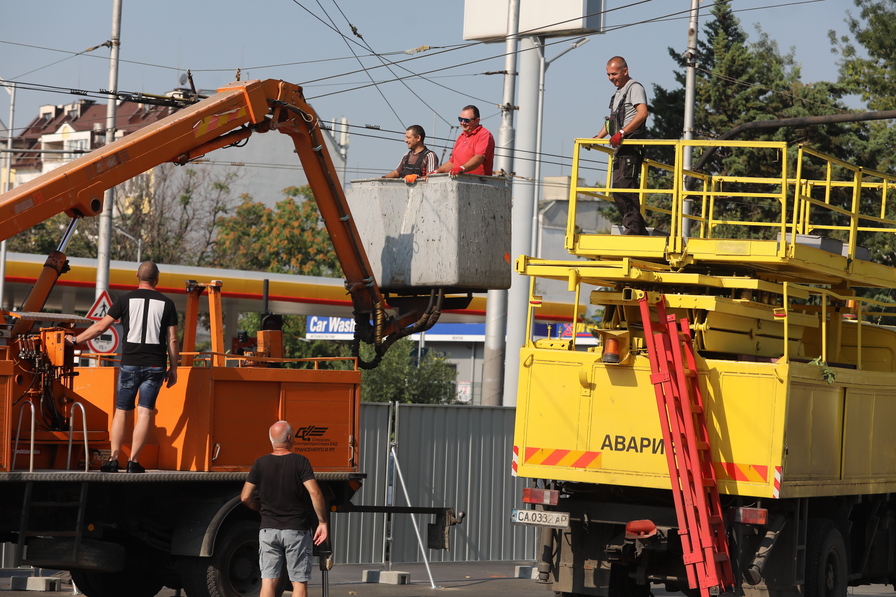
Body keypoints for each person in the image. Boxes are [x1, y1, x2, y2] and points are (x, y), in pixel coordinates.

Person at [67, 261, 179, 473]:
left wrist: (75, 340)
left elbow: (100, 327)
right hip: (155, 365)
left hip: (130, 363)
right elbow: (172, 340)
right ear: (158, 278)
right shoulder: (167, 303)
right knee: (145, 412)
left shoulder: (125, 300)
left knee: (122, 410)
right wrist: (173, 368)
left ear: (137, 275)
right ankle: (133, 462)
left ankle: (114, 460)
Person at [241, 421, 329, 597]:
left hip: (268, 530)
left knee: (268, 580)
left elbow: (245, 497)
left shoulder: (260, 463)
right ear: (290, 438)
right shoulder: (300, 462)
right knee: (298, 582)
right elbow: (315, 493)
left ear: (271, 440)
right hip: (295, 530)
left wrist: (260, 508)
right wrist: (322, 522)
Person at [594, 56, 650, 235]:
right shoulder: (618, 93)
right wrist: (598, 137)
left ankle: (634, 231)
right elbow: (612, 120)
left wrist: (622, 133)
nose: (611, 78)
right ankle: (638, 228)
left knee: (625, 188)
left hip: (631, 146)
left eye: (614, 74)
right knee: (617, 190)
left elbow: (642, 113)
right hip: (621, 147)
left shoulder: (634, 88)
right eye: (608, 75)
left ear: (625, 71)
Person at [434, 105, 495, 176]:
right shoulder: (461, 136)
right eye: (460, 119)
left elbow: (479, 157)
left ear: (477, 121)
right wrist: (437, 171)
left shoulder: (484, 135)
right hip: (459, 181)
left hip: (477, 182)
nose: (462, 123)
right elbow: (452, 162)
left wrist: (461, 168)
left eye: (466, 120)